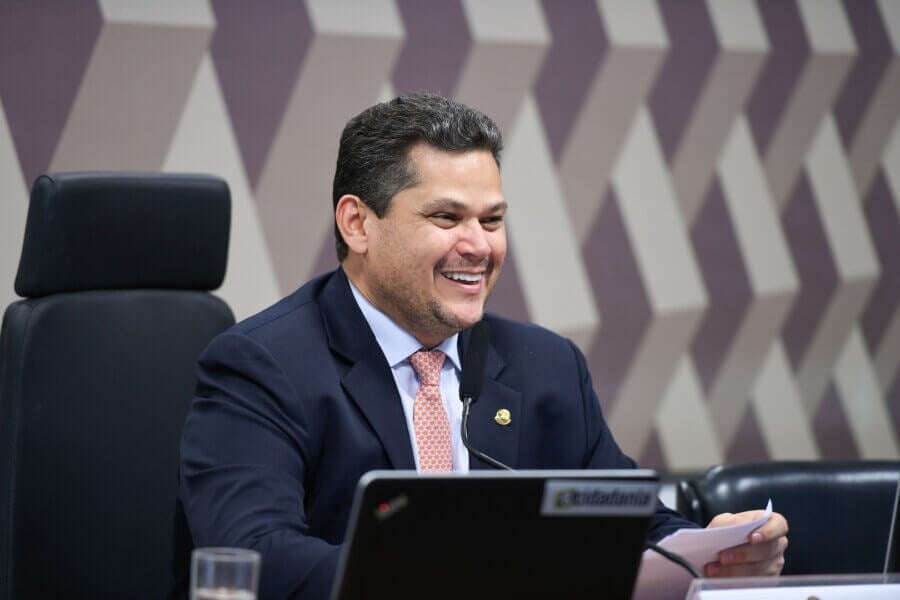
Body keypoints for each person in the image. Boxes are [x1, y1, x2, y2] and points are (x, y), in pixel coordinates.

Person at [175, 92, 788, 598]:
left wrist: (717, 549)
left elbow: (623, 521)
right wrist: (467, 575)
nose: (479, 246)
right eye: (447, 218)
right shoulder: (262, 366)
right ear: (358, 223)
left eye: (491, 221)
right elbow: (255, 559)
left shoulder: (546, 367)